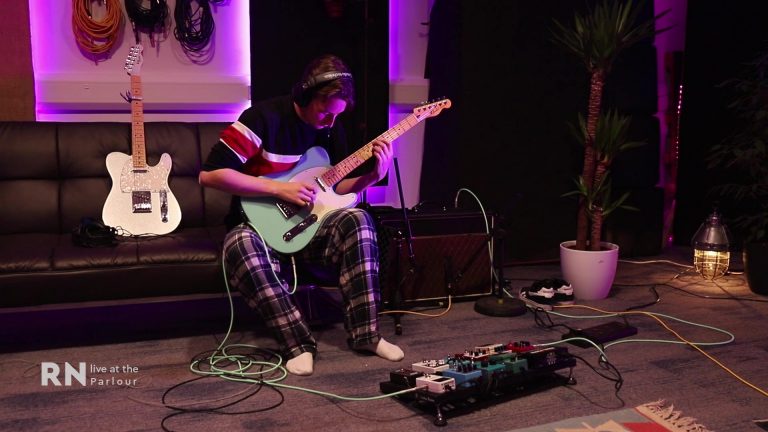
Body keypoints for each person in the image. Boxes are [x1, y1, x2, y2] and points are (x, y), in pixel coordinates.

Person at [198, 54, 404, 376]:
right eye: (324, 112)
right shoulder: (261, 118)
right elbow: (210, 175)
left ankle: (367, 334)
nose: (329, 122)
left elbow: (333, 186)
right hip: (257, 225)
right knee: (239, 244)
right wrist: (277, 189)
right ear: (303, 96)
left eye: (336, 116)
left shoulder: (332, 130)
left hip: (311, 224)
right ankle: (297, 344)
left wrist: (371, 178)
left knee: (360, 221)